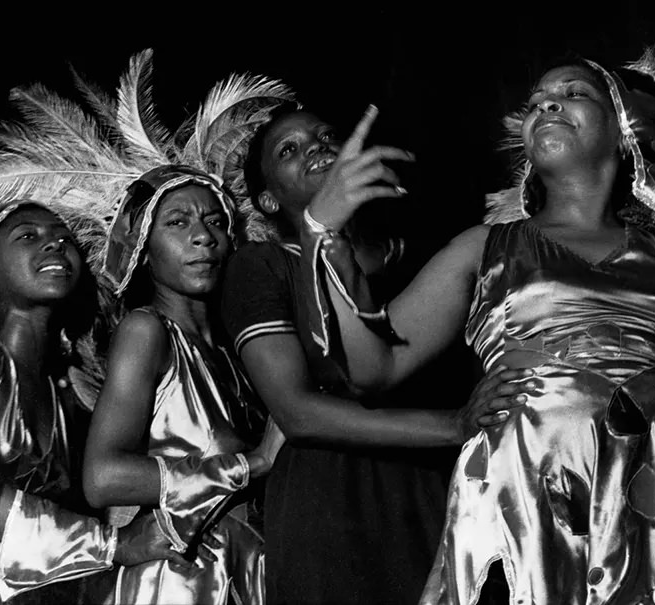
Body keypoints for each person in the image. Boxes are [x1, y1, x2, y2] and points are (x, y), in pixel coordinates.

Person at [298, 43, 655, 603]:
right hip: (521, 485)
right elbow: (375, 368)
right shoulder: (484, 246)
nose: (547, 106)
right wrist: (322, 230)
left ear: (624, 131)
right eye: (537, 101)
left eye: (572, 94)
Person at [217, 101, 537, 605]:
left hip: (438, 490)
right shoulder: (262, 266)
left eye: (326, 136)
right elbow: (297, 412)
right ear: (268, 200)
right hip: (332, 501)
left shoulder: (434, 258)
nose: (316, 148)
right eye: (288, 150)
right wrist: (452, 426)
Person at [0, 107, 184, 605]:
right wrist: (116, 546)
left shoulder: (68, 392)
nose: (54, 244)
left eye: (63, 238)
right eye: (28, 237)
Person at [81, 164, 283, 605]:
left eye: (215, 221)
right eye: (177, 222)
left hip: (245, 571)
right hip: (177, 578)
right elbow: (103, 477)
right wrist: (253, 464)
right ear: (144, 249)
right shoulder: (146, 330)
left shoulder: (238, 351)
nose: (203, 236)